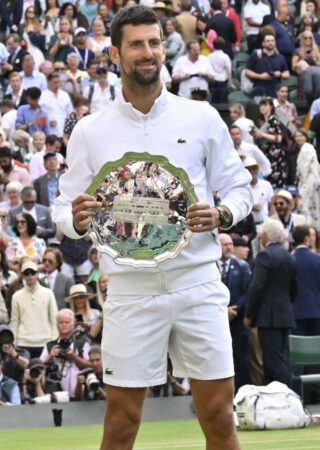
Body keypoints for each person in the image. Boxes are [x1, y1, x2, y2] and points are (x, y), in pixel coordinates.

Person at [53, 6, 251, 449]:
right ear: (115, 53)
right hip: (130, 288)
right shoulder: (89, 131)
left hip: (197, 282)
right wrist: (76, 219)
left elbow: (239, 187)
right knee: (121, 423)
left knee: (219, 417)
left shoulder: (200, 118)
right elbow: (63, 208)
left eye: (155, 42)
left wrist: (222, 215)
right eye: (137, 44)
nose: (148, 52)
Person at [244, 218, 297, 386]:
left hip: (268, 317)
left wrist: (249, 315)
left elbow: (257, 287)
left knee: (272, 362)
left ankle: (280, 398)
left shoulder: (265, 255)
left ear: (265, 236)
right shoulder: (288, 256)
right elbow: (294, 289)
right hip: (285, 315)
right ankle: (286, 396)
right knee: (282, 359)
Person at [218, 233, 251, 391]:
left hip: (237, 322)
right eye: (225, 244)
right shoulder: (209, 268)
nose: (229, 247)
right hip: (216, 321)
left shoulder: (242, 266)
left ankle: (241, 394)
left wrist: (234, 310)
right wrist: (222, 311)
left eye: (230, 244)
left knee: (240, 360)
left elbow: (247, 292)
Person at [9, 260, 58, 358]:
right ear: (22, 275)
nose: (30, 276)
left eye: (32, 272)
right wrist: (13, 342)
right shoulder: (16, 296)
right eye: (26, 273)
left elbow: (54, 318)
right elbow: (14, 321)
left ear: (37, 274)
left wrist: (53, 340)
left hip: (45, 342)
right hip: (23, 343)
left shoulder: (48, 293)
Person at [40, 308, 91, 399]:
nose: (63, 325)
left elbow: (91, 366)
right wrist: (49, 356)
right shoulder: (50, 346)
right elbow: (38, 367)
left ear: (72, 325)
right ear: (57, 325)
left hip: (79, 393)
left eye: (66, 322)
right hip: (56, 393)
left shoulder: (82, 343)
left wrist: (74, 356)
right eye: (61, 322)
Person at [292, 225, 320, 336]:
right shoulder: (317, 259)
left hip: (296, 312)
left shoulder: (289, 259)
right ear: (306, 238)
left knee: (298, 348)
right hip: (316, 311)